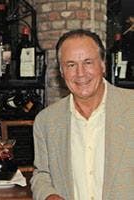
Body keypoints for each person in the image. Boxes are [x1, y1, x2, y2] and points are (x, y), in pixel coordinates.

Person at [30, 29, 134, 200]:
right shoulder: (46, 121)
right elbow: (41, 174)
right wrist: (49, 195)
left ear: (103, 64)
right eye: (71, 65)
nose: (80, 73)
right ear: (61, 72)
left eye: (88, 62)